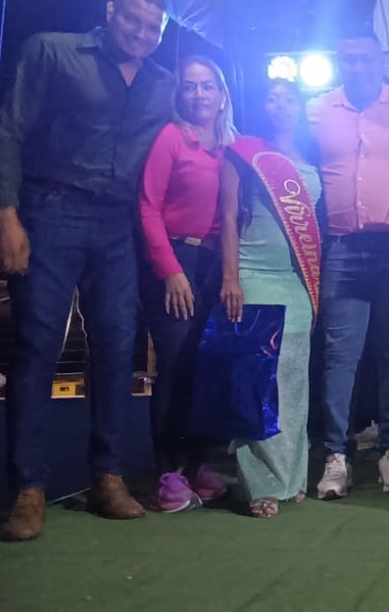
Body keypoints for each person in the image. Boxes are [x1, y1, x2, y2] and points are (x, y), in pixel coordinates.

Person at [0, 0, 175, 541]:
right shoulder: (52, 50)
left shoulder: (164, 85)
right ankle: (27, 490)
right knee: (38, 346)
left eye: (153, 27)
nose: (141, 32)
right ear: (110, 10)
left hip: (119, 225)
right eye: (133, 19)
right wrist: (5, 215)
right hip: (50, 209)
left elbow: (193, 142)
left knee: (117, 346)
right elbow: (5, 132)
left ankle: (108, 478)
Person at [309, 25, 389, 499]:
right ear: (339, 63)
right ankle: (336, 455)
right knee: (339, 356)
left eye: (365, 58)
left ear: (381, 62)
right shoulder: (317, 110)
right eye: (349, 59)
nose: (357, 66)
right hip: (341, 248)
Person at [217, 78, 324, 518]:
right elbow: (227, 217)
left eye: (288, 98)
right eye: (271, 98)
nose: (280, 105)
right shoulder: (243, 153)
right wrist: (230, 277)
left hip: (295, 282)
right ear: (261, 106)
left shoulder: (311, 158)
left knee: (293, 386)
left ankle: (291, 477)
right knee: (258, 382)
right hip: (253, 277)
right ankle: (260, 484)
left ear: (300, 107)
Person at [137, 56, 236, 513]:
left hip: (215, 263)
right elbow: (147, 206)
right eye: (191, 87)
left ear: (222, 95)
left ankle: (199, 463)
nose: (199, 95)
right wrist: (170, 269)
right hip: (176, 260)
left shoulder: (231, 146)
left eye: (207, 86)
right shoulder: (171, 138)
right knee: (175, 366)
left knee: (205, 368)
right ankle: (167, 473)